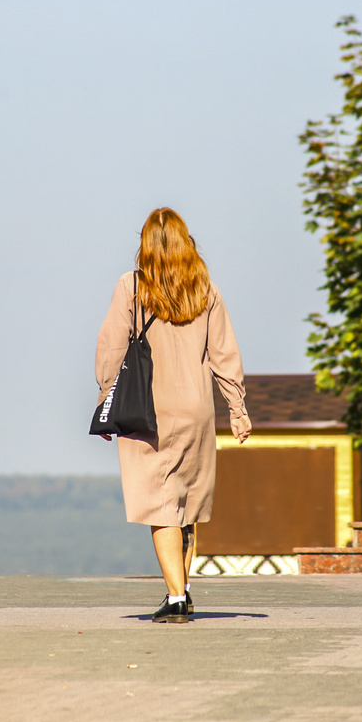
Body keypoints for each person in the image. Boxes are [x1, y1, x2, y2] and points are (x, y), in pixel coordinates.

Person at [94, 207, 251, 624]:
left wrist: (105, 398)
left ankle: (177, 596)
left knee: (161, 505)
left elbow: (112, 348)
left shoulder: (131, 287)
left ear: (145, 245)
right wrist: (237, 408)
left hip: (149, 409)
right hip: (197, 408)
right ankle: (180, 588)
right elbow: (224, 353)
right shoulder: (205, 290)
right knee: (186, 503)